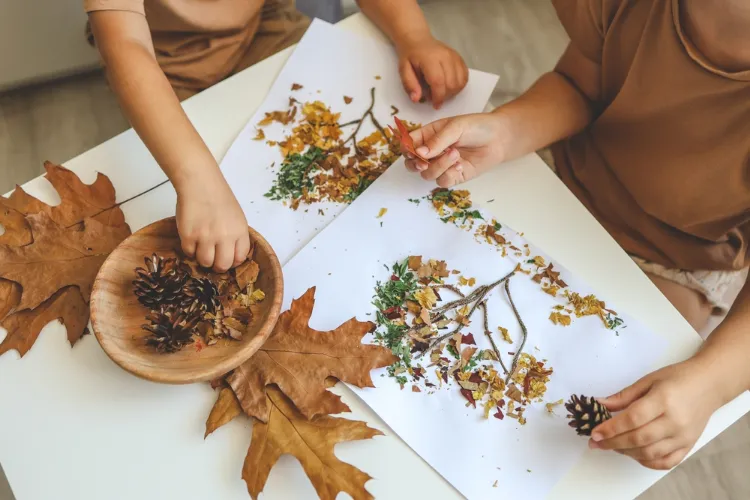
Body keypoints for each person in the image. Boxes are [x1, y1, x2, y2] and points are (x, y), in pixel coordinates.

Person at [404, 0, 750, 471]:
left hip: (681, 257)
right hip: (571, 175)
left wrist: (711, 382)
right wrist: (503, 132)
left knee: (583, 439)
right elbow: (579, 85)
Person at [85, 0, 468, 271]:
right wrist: (198, 181)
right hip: (165, 60)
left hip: (265, 26)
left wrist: (413, 35)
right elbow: (125, 46)